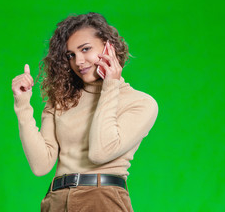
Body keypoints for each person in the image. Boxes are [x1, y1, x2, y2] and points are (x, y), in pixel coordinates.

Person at [12, 12, 158, 211]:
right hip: (56, 200)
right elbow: (41, 166)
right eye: (71, 55)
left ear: (109, 47)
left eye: (85, 49)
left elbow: (100, 152)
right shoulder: (62, 99)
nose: (78, 61)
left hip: (102, 199)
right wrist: (22, 105)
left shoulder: (140, 103)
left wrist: (110, 85)